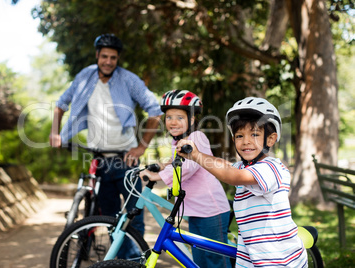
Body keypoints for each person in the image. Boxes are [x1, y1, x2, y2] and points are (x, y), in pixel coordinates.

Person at [49, 34, 163, 244]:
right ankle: (117, 261)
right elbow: (61, 104)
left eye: (113, 57)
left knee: (133, 217)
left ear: (117, 59)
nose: (108, 62)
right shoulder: (85, 76)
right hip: (99, 160)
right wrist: (55, 133)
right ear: (97, 55)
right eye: (104, 57)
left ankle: (134, 264)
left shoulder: (128, 79)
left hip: (126, 160)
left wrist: (141, 147)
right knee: (110, 220)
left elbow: (155, 110)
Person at [176, 97, 308, 267]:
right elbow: (226, 166)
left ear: (270, 139)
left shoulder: (272, 168)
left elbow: (233, 176)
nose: (246, 141)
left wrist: (197, 155)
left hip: (279, 260)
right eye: (239, 135)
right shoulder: (241, 166)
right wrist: (193, 153)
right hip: (250, 257)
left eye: (254, 134)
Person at [139, 89, 232, 268]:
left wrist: (157, 176)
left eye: (179, 117)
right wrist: (160, 165)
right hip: (197, 211)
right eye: (169, 117)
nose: (173, 122)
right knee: (200, 259)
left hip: (211, 210)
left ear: (191, 120)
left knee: (215, 262)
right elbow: (176, 161)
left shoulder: (197, 138)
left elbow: (187, 168)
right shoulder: (180, 143)